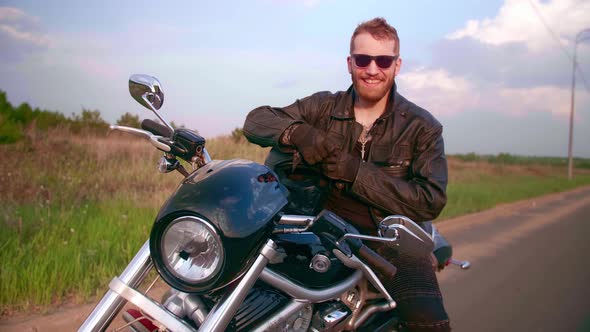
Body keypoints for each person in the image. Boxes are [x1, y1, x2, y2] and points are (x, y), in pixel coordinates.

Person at [243, 17, 450, 332]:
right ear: (350, 63)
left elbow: (430, 200)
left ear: (397, 65)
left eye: (383, 60)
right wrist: (296, 133)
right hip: (317, 227)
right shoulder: (322, 107)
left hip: (386, 239)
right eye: (363, 59)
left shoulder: (423, 127)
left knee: (428, 319)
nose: (372, 69)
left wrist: (355, 173)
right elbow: (257, 121)